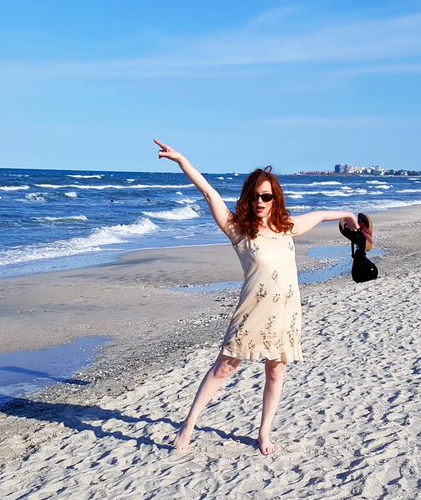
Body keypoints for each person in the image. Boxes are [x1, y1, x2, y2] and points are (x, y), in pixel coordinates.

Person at [154, 139, 359, 455]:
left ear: (275, 199)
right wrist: (182, 160)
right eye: (255, 196)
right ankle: (188, 426)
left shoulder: (287, 227)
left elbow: (318, 215)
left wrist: (347, 214)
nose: (260, 202)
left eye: (266, 196)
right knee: (224, 368)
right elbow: (209, 193)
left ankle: (264, 434)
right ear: (247, 199)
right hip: (253, 311)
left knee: (276, 371)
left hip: (286, 312)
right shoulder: (238, 230)